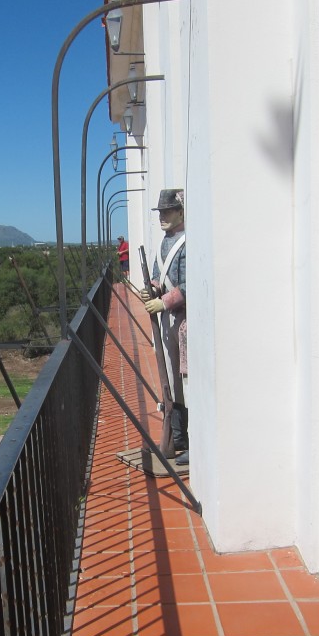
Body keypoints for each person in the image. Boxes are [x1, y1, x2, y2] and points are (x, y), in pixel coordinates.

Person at [140, 188, 189, 465]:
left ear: (180, 212)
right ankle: (178, 434)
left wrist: (164, 302)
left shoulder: (186, 242)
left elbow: (189, 283)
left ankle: (189, 435)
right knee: (172, 376)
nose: (163, 216)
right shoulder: (165, 243)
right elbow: (161, 276)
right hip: (169, 319)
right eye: (160, 212)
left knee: (186, 377)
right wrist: (153, 290)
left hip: (184, 319)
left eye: (168, 211)